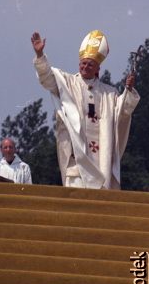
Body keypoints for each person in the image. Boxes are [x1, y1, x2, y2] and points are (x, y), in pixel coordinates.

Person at [31, 30, 140, 190]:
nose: (85, 66)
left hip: (101, 159)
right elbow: (47, 78)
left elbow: (122, 113)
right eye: (83, 63)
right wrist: (40, 55)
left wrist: (128, 91)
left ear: (98, 69)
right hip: (76, 162)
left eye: (90, 64)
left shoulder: (109, 93)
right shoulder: (68, 83)